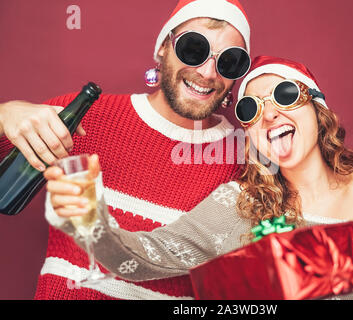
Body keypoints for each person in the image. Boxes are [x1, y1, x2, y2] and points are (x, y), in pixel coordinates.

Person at [44, 56, 353, 300]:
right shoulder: (241, 206)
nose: (269, 115)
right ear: (247, 134)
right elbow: (144, 259)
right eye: (250, 109)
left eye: (284, 95)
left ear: (317, 106)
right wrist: (91, 219)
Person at [0, 0, 252, 300]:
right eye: (194, 49)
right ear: (163, 47)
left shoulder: (246, 160)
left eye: (229, 61)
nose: (208, 73)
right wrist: (5, 115)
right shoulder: (85, 117)